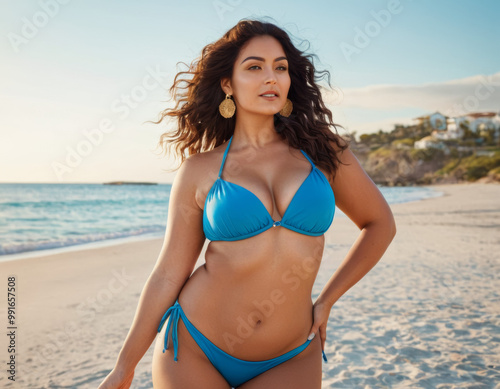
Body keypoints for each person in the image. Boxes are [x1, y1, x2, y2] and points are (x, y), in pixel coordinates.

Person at [98, 18, 396, 389]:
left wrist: (328, 299)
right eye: (254, 67)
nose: (271, 78)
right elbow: (167, 274)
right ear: (228, 83)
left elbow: (380, 224)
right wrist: (123, 368)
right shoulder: (200, 170)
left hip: (290, 354)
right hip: (195, 348)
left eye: (281, 67)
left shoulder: (323, 153)